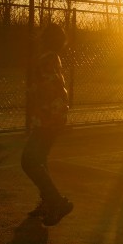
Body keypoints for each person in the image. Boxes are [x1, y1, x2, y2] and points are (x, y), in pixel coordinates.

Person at [21, 22, 74, 226]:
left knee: (28, 161)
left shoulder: (46, 59)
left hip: (48, 118)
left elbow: (49, 89)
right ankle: (49, 203)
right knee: (40, 160)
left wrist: (34, 93)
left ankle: (57, 202)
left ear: (45, 40)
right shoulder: (54, 58)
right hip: (53, 116)